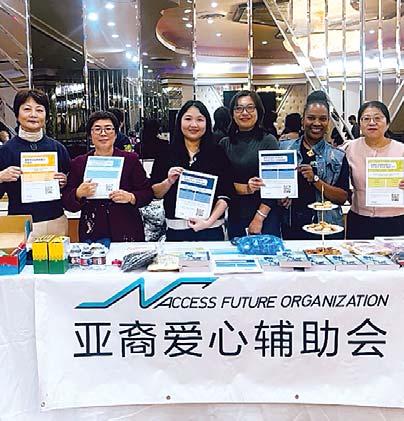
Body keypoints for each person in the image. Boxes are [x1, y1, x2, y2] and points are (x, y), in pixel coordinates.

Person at [62, 111, 153, 243]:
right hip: (92, 229)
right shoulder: (79, 163)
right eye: (97, 129)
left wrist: (131, 197)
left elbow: (147, 192)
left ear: (116, 134)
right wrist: (78, 193)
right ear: (90, 134)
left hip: (127, 229)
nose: (103, 133)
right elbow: (66, 201)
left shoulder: (130, 160)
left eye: (108, 129)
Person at [151, 100, 234, 241]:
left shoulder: (217, 153)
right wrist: (168, 182)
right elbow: (155, 193)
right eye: (188, 119)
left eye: (200, 120)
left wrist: (208, 222)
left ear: (207, 123)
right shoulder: (165, 153)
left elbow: (226, 194)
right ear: (179, 121)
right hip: (176, 231)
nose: (194, 125)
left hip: (211, 230)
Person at [0, 89, 70, 238]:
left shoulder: (58, 148)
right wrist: (1, 177)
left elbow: (71, 192)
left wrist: (65, 181)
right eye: (27, 109)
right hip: (20, 224)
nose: (33, 115)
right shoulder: (5, 151)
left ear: (46, 116)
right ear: (17, 114)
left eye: (39, 110)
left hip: (56, 222)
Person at [280, 91, 349, 240]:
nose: (317, 123)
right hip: (292, 226)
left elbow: (342, 197)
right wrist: (280, 197)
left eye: (322, 119)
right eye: (311, 118)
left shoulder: (338, 156)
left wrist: (315, 180)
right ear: (303, 120)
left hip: (326, 229)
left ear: (328, 122)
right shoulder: (284, 149)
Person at [219, 90, 281, 239]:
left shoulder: (269, 141)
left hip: (264, 216)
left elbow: (274, 184)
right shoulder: (224, 143)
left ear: (258, 111)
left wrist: (259, 217)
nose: (244, 113)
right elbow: (222, 183)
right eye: (239, 108)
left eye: (250, 108)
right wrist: (245, 188)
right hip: (235, 215)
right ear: (232, 113)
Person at [345, 101, 404, 239]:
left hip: (396, 220)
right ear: (360, 124)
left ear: (387, 123)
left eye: (378, 118)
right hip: (360, 219)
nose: (372, 123)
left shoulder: (401, 150)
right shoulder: (349, 148)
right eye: (366, 119)